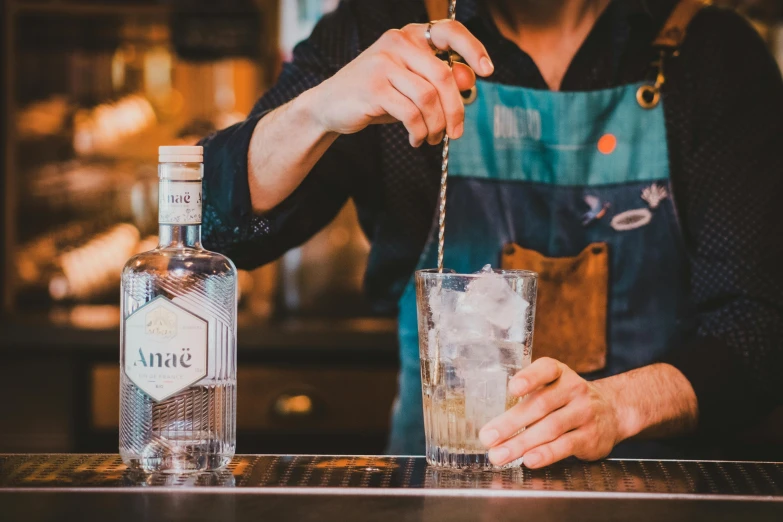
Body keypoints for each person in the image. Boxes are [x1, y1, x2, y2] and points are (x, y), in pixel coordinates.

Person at [200, 0, 783, 467]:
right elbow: (209, 232)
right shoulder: (375, 32)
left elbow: (759, 334)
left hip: (659, 487)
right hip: (441, 482)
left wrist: (619, 405)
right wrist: (315, 112)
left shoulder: (712, 53)